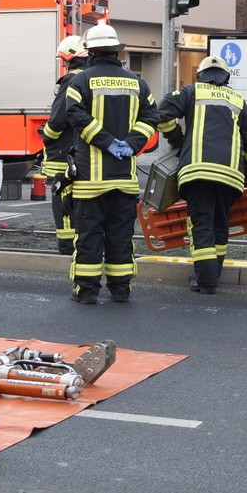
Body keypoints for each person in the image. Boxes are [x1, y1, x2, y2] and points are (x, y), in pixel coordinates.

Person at [64, 23, 158, 304]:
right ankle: (120, 290)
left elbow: (73, 114)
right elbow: (152, 116)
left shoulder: (80, 81)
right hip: (125, 181)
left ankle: (87, 291)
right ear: (117, 51)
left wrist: (105, 141)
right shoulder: (137, 82)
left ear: (90, 51)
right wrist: (130, 143)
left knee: (89, 237)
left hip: (90, 182)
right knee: (120, 237)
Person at [157, 56, 247, 294]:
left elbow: (162, 113)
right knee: (219, 224)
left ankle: (205, 280)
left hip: (197, 172)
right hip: (231, 176)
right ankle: (212, 274)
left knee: (201, 223)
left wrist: (178, 140)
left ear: (201, 74)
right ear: (226, 77)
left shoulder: (190, 92)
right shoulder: (237, 100)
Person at [40, 35, 87, 255]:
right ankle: (80, 243)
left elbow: (58, 119)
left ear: (70, 58)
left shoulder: (71, 80)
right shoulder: (91, 77)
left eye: (64, 60)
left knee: (63, 198)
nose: (64, 64)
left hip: (63, 152)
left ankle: (67, 247)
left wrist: (47, 137)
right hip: (84, 152)